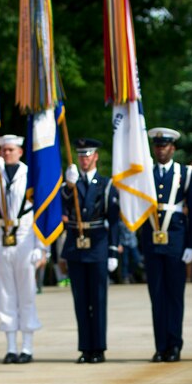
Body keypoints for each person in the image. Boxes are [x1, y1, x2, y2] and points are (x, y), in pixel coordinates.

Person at [140, 127, 192, 362]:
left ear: (172, 148)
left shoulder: (184, 173)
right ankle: (160, 345)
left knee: (174, 295)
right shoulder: (145, 173)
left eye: (164, 146)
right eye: (157, 146)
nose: (160, 150)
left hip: (175, 239)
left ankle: (174, 344)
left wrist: (191, 245)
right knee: (156, 295)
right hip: (152, 240)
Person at [60, 138, 120, 363]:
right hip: (76, 246)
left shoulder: (106, 184)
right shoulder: (71, 185)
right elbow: (63, 207)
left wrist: (113, 251)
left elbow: (113, 220)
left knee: (98, 299)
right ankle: (85, 348)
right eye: (81, 155)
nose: (84, 159)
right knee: (80, 300)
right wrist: (68, 186)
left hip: (97, 245)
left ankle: (99, 348)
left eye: (88, 155)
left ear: (96, 157)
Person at [0, 134, 45, 363]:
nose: (6, 153)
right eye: (3, 150)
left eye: (11, 149)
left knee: (26, 294)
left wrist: (42, 246)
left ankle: (28, 347)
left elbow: (42, 209)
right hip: (1, 236)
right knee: (4, 294)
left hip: (25, 237)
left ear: (20, 152)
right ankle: (11, 346)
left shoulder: (29, 175)